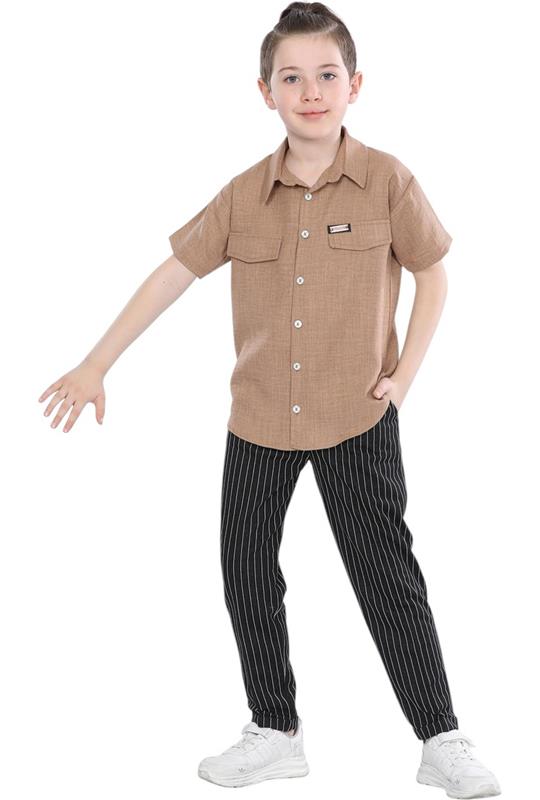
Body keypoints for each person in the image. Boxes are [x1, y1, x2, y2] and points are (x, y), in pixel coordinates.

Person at [38, 2, 502, 797]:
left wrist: (404, 379)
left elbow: (434, 274)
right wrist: (95, 363)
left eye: (326, 75)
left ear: (355, 85)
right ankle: (275, 730)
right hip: (257, 419)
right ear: (266, 92)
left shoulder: (389, 180)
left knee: (386, 578)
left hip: (356, 414)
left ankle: (441, 738)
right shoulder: (243, 195)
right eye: (291, 78)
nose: (310, 92)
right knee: (246, 571)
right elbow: (174, 274)